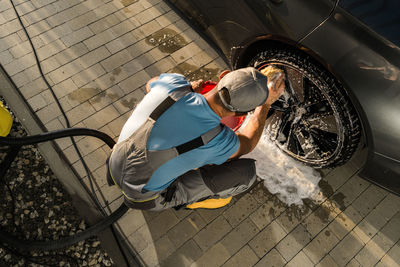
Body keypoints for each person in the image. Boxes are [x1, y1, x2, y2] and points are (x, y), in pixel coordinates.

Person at [107, 67, 285, 211]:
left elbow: (150, 85)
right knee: (245, 174)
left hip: (114, 160)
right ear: (242, 113)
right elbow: (248, 142)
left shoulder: (174, 84)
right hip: (142, 198)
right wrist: (266, 105)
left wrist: (189, 89)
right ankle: (187, 201)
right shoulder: (217, 139)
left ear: (224, 76)